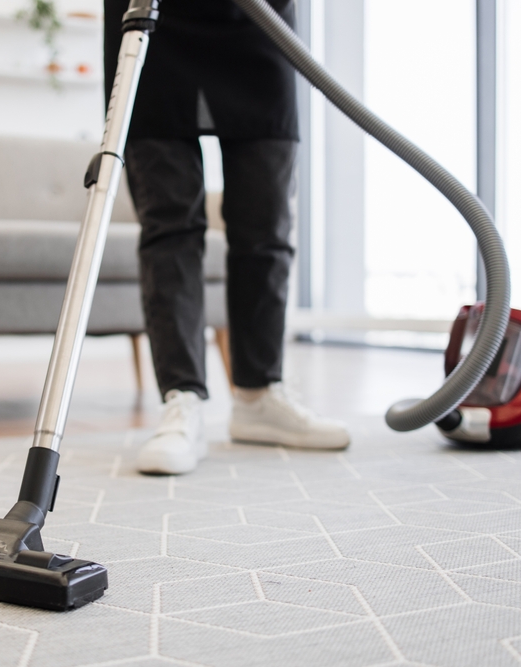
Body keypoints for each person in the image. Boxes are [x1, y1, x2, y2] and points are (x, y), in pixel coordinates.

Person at [105, 0, 350, 475]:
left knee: (266, 222)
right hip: (155, 17)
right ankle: (183, 400)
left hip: (260, 23)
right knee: (169, 224)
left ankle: (259, 397)